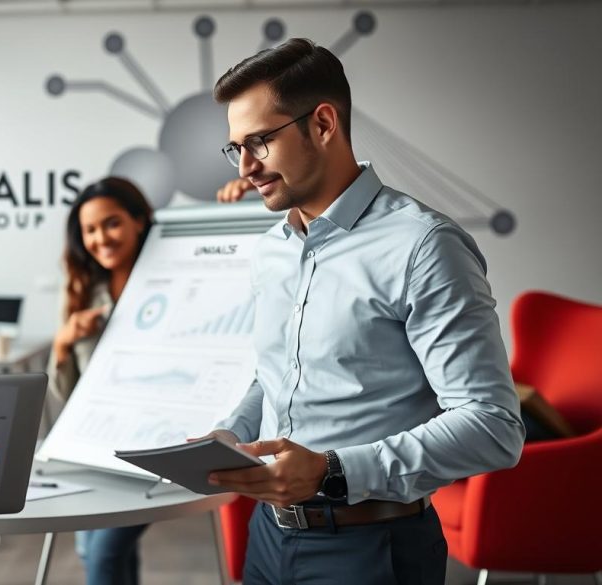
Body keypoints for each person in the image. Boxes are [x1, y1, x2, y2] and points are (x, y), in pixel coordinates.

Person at [201, 39, 524, 584]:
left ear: (323, 124)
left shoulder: (424, 245)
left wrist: (331, 471)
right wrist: (231, 435)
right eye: (237, 148)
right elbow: (277, 374)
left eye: (260, 141)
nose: (248, 166)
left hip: (371, 548)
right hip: (267, 539)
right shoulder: (273, 248)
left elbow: (493, 426)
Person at [45, 177, 153, 585]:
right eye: (89, 229)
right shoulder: (82, 289)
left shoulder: (170, 278)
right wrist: (64, 341)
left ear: (139, 221)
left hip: (149, 443)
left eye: (111, 224)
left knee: (102, 554)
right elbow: (66, 396)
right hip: (94, 445)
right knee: (107, 552)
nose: (100, 238)